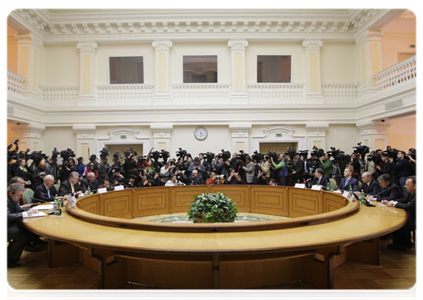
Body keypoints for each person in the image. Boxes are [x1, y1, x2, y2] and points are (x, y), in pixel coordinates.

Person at [5, 183, 43, 268]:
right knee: (22, 235)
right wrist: (24, 214)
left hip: (10, 224)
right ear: (11, 193)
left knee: (27, 230)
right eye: (18, 195)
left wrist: (30, 211)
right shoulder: (4, 200)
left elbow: (19, 209)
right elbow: (5, 216)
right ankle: (9, 259)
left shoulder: (11, 198)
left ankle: (16, 254)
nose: (19, 198)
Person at [383, 176, 420, 250]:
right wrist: (391, 202)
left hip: (417, 218)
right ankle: (402, 243)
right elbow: (404, 200)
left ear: (414, 186)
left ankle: (403, 244)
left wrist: (395, 204)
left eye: (407, 185)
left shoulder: (418, 194)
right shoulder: (412, 192)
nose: (405, 186)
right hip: (413, 215)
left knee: (399, 223)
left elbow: (409, 207)